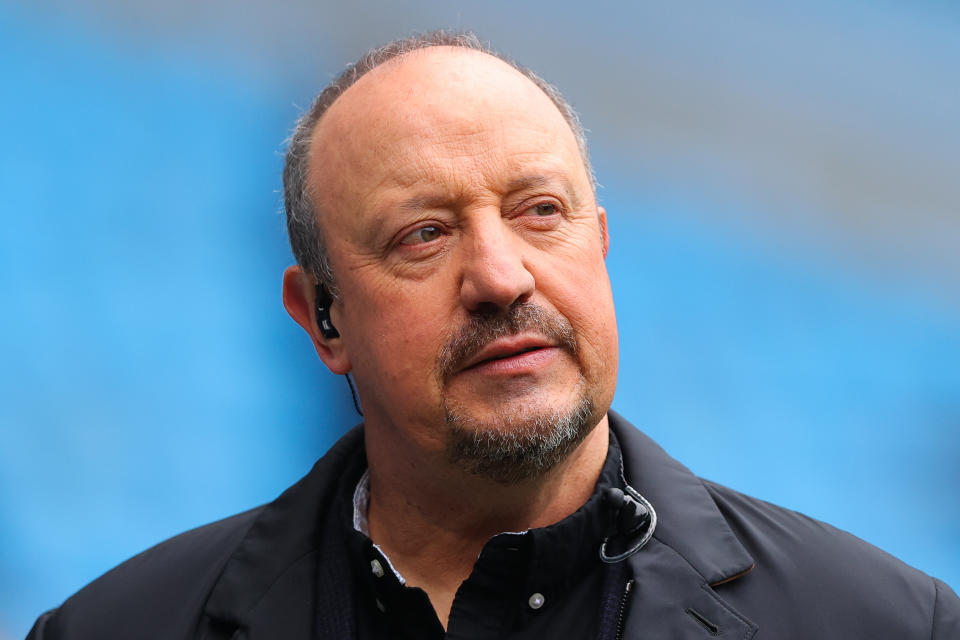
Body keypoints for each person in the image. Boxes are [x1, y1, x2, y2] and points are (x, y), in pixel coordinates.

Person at [28, 31, 959, 640]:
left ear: (599, 244)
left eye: (540, 212)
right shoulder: (115, 628)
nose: (501, 277)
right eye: (423, 234)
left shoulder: (884, 623)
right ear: (323, 317)